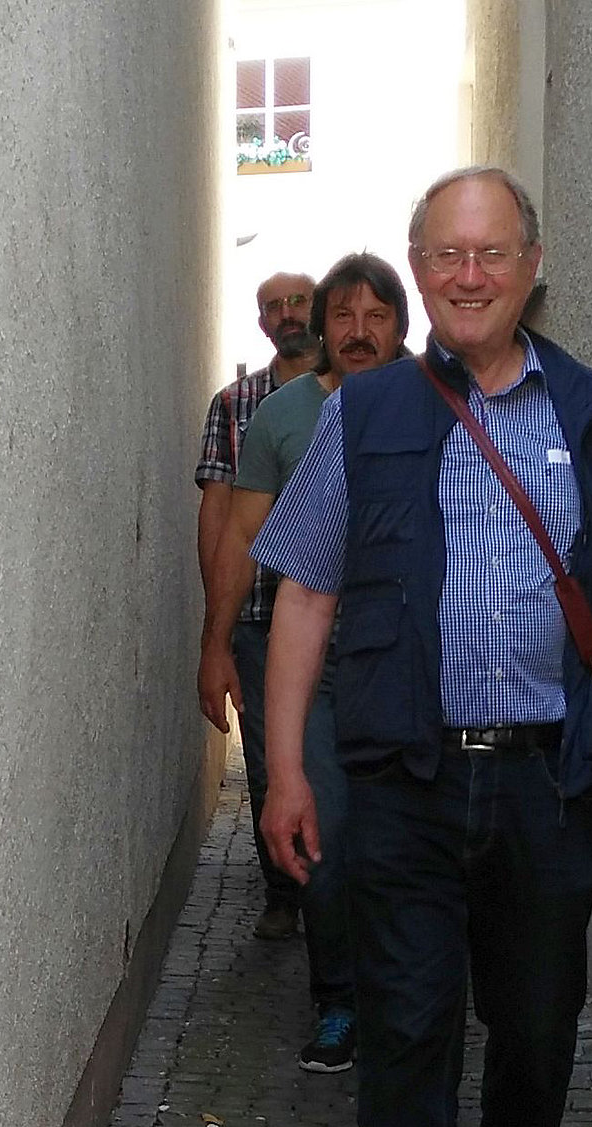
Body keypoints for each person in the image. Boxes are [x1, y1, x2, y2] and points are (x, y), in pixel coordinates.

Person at [249, 167, 592, 1127]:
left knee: (539, 1015)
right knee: (407, 1025)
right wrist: (290, 768)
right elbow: (302, 588)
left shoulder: (588, 414)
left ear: (529, 267)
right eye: (445, 255)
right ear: (418, 269)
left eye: (490, 253)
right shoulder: (365, 411)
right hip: (401, 775)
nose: (467, 275)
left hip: (547, 779)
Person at [199, 254, 411, 1073]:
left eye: (376, 315)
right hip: (310, 661)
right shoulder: (282, 417)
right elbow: (243, 538)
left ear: (401, 323)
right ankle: (340, 1001)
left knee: (403, 833)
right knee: (320, 831)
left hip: (406, 660)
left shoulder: (434, 402)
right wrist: (217, 644)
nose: (358, 332)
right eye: (343, 316)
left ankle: (408, 991)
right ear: (323, 327)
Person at [194, 270, 318, 941]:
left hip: (344, 619)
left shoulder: (362, 389)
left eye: (298, 300)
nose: (287, 313)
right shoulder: (234, 404)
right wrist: (215, 634)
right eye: (273, 306)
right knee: (273, 762)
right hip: (261, 615)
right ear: (261, 321)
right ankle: (289, 893)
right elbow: (219, 518)